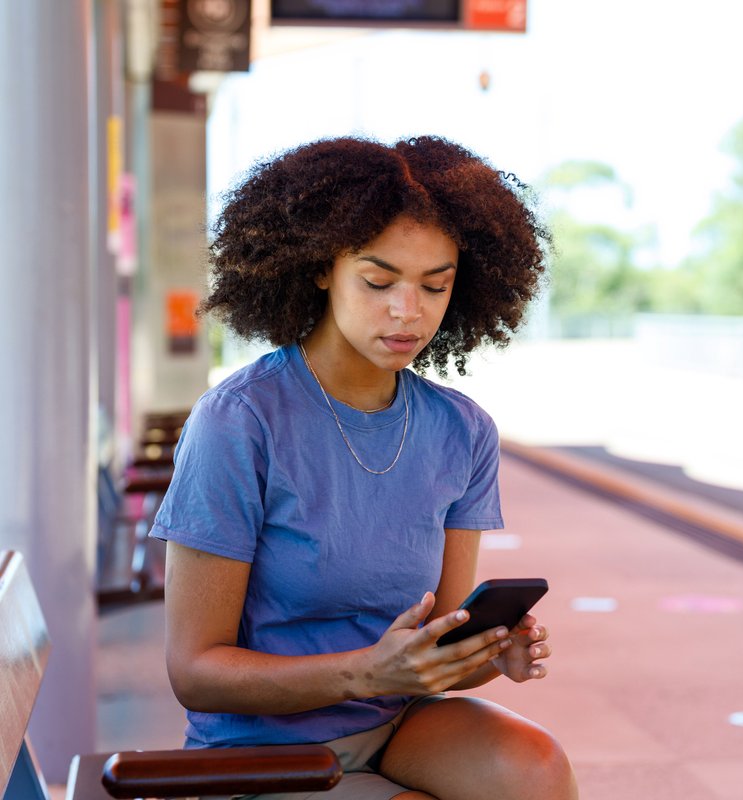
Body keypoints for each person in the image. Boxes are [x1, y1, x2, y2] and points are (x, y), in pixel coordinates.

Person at [149, 135, 577, 800]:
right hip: (262, 749)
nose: (408, 311)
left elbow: (432, 651)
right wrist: (366, 673)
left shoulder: (461, 431)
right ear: (322, 267)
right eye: (378, 282)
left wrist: (483, 656)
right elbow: (194, 671)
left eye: (435, 285)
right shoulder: (240, 421)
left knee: (535, 767)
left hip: (397, 722)